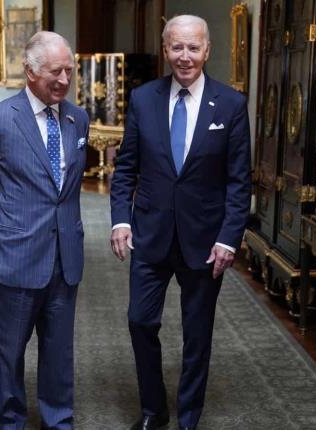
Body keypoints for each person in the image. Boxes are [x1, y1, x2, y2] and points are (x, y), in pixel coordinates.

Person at [109, 15, 251, 430]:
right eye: (176, 47)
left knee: (197, 335)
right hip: (150, 236)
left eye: (193, 48)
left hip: (205, 242)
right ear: (166, 48)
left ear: (208, 50)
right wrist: (121, 220)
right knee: (139, 321)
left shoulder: (231, 104)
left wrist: (229, 239)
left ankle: (188, 418)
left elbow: (239, 181)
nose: (184, 56)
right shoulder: (143, 99)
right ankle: (154, 410)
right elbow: (126, 170)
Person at [0, 31, 89, 430]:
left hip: (64, 256)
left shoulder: (78, 118)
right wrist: (10, 219)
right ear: (30, 71)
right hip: (16, 256)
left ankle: (59, 421)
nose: (64, 80)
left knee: (59, 351)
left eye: (69, 71)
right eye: (56, 71)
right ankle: (11, 421)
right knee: (11, 350)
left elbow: (69, 186)